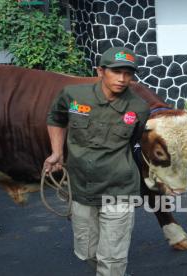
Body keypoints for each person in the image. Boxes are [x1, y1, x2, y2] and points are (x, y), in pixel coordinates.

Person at [43, 47, 150, 276]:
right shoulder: (73, 96)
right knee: (87, 250)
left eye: (128, 73)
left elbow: (135, 141)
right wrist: (56, 152)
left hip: (118, 187)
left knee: (111, 257)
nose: (122, 79)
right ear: (100, 71)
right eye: (116, 71)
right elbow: (55, 117)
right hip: (81, 186)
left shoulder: (139, 107)